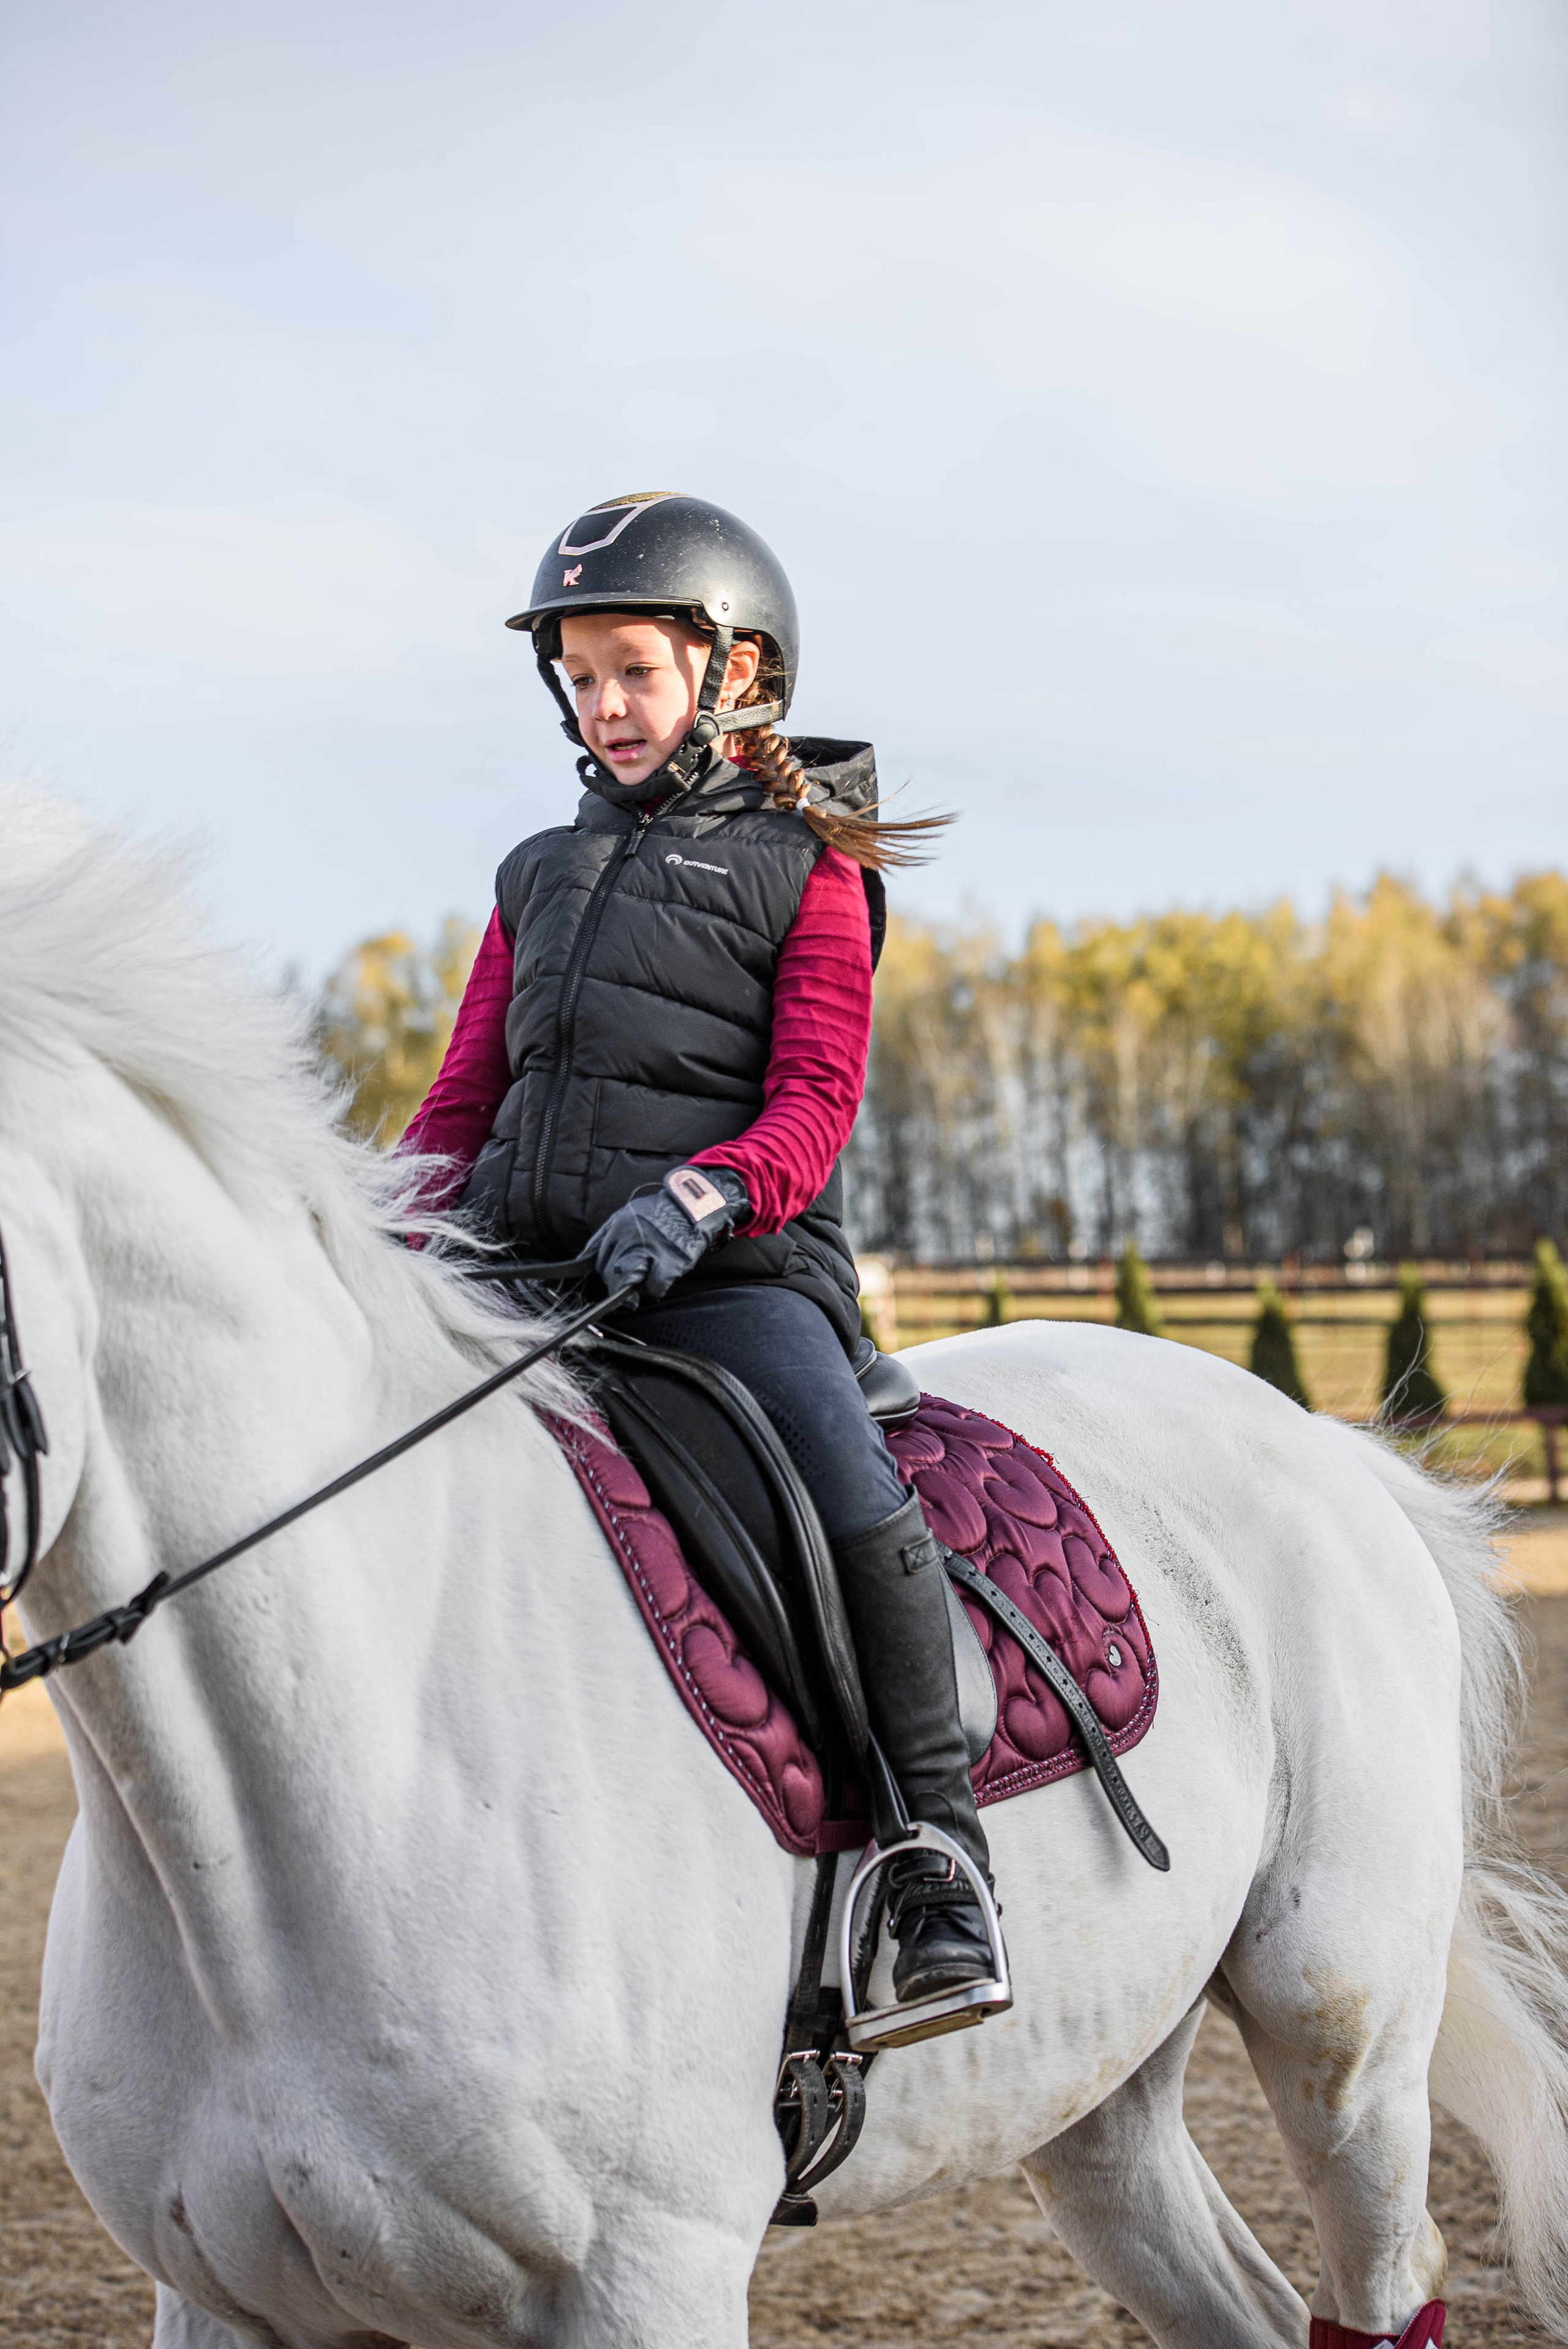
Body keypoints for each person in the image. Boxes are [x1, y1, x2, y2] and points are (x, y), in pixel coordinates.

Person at [402, 491, 999, 2012]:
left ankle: (936, 1845)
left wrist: (699, 1201)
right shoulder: (533, 873)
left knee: (851, 1491)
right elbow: (464, 1098)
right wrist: (382, 1220)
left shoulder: (809, 862)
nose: (603, 704)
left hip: (731, 1275)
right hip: (530, 1270)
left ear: (729, 677)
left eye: (633, 672)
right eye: (581, 676)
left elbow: (814, 1101)